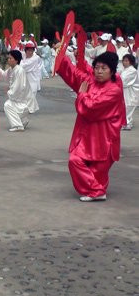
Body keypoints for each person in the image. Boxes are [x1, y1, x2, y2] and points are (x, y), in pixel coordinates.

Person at [57, 51, 126, 201]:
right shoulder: (91, 82)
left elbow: (90, 108)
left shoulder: (114, 90)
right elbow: (74, 75)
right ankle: (97, 191)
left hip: (104, 139)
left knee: (97, 172)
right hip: (87, 137)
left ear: (112, 71)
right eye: (97, 67)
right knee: (75, 160)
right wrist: (61, 56)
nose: (99, 71)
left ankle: (97, 191)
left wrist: (82, 94)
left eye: (104, 68)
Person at [0, 50, 39, 132]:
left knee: (8, 105)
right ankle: (23, 121)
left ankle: (17, 125)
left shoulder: (19, 70)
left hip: (24, 102)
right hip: (20, 100)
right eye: (8, 58)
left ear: (16, 60)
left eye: (10, 58)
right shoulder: (11, 69)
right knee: (10, 104)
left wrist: (9, 91)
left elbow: (18, 87)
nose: (8, 60)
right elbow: (4, 76)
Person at [120, 54, 138, 130]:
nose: (124, 62)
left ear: (131, 62)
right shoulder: (126, 70)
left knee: (128, 107)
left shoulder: (132, 71)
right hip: (126, 92)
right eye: (124, 60)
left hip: (131, 93)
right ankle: (126, 122)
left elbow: (124, 82)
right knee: (125, 107)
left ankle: (127, 123)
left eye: (126, 61)